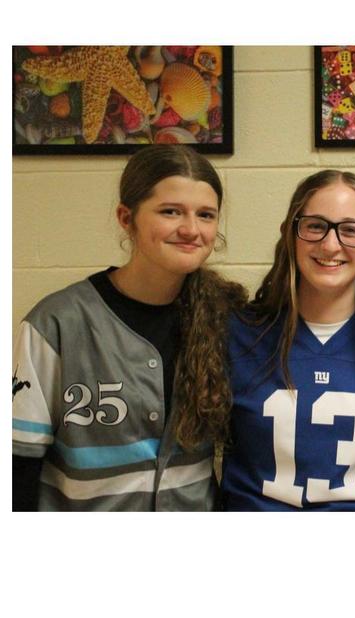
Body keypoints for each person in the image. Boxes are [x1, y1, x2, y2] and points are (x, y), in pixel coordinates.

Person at [12, 144, 246, 511]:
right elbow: (18, 465)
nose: (191, 229)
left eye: (205, 215)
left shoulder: (226, 317)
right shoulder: (57, 323)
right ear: (126, 217)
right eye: (170, 212)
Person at [220, 170, 355, 511]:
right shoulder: (240, 333)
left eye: (350, 230)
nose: (331, 245)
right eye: (315, 226)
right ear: (291, 234)